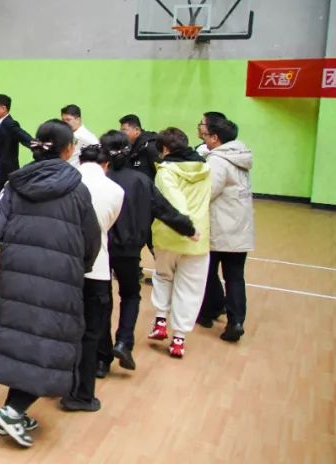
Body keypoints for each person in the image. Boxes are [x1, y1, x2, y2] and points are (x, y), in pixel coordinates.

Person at [0, 119, 101, 449]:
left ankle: (14, 410)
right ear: (69, 150)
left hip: (16, 275)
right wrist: (82, 268)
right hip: (61, 279)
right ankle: (13, 410)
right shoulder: (77, 190)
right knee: (50, 347)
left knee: (23, 340)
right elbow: (92, 239)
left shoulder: (15, 185)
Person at [96, 131, 195, 374]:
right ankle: (123, 342)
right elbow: (164, 209)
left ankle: (101, 359)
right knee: (130, 295)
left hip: (101, 249)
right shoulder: (141, 180)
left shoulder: (100, 180)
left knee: (101, 300)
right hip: (130, 250)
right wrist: (188, 228)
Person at [62, 144, 123, 413]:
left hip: (64, 266)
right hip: (96, 268)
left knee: (62, 328)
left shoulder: (65, 183)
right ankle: (82, 395)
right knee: (89, 334)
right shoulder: (116, 190)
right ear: (106, 164)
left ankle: (56, 382)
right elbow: (107, 225)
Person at [148, 127, 211, 359]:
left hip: (169, 235)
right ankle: (178, 339)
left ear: (165, 149)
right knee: (190, 288)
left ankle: (160, 321)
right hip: (199, 240)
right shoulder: (206, 168)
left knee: (163, 277)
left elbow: (174, 204)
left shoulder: (165, 171)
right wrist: (194, 229)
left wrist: (186, 227)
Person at [196, 117, 254, 342]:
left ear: (215, 137)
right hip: (240, 227)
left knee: (208, 272)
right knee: (235, 277)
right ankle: (236, 321)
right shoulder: (240, 155)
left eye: (206, 134)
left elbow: (208, 191)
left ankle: (211, 309)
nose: (204, 138)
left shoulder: (218, 160)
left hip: (221, 227)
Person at [118, 114, 160, 180]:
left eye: (124, 130)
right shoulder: (128, 147)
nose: (121, 134)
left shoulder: (150, 146)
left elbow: (161, 173)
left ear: (137, 130)